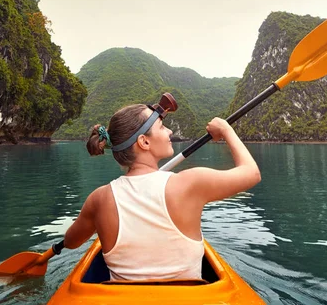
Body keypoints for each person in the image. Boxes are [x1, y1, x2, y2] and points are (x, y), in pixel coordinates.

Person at [62, 96, 260, 281]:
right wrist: (226, 130)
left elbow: (71, 242)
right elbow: (252, 173)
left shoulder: (99, 199)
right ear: (144, 142)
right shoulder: (190, 183)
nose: (170, 132)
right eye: (162, 126)